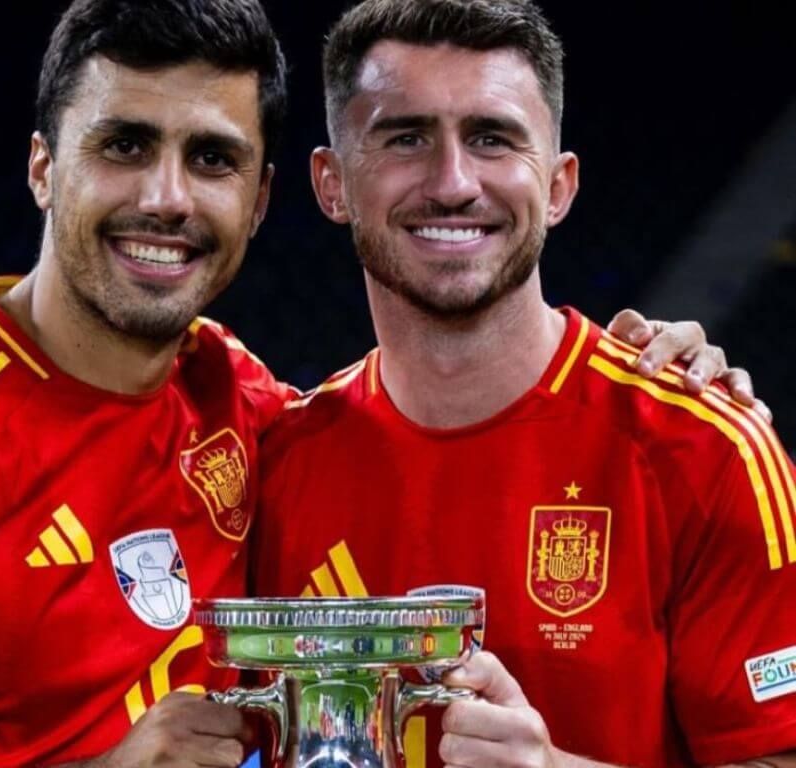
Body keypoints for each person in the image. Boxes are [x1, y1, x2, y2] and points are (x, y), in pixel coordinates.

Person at [0, 0, 766, 766]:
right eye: (123, 145)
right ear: (42, 167)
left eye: (210, 158)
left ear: (262, 200)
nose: (165, 197)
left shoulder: (249, 415)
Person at [250, 1, 796, 767]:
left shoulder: (706, 451)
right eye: (405, 137)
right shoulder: (271, 464)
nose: (452, 182)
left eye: (491, 138)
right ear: (332, 183)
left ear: (558, 185)